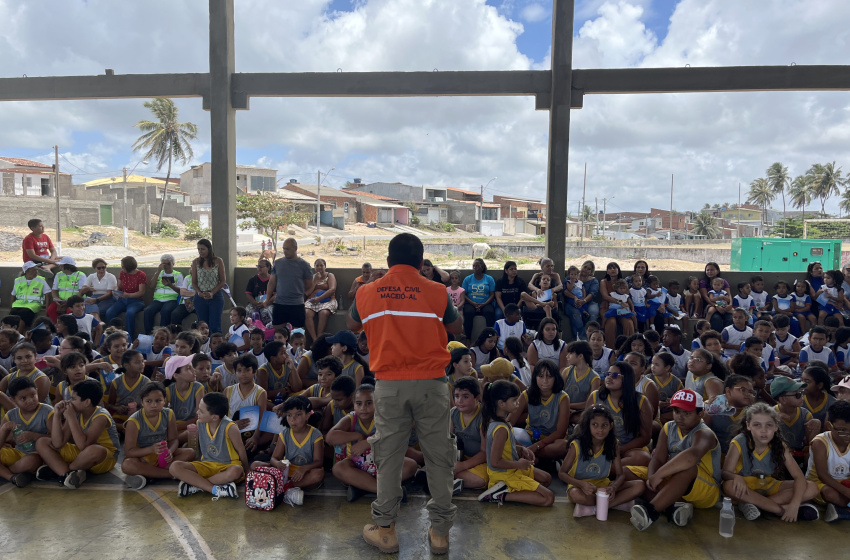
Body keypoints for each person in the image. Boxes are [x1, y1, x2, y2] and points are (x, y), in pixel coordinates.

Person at [346, 233, 462, 555]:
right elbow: (456, 328)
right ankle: (439, 534)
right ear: (421, 262)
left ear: (387, 262)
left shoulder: (368, 292)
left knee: (389, 459)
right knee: (439, 458)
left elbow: (352, 324)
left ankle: (386, 532)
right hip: (433, 385)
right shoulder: (438, 291)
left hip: (389, 386)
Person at [626, 389, 722, 531]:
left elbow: (691, 457)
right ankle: (671, 507)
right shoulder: (668, 427)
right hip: (675, 483)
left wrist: (659, 474)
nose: (680, 417)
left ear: (700, 413)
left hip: (706, 490)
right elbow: (658, 458)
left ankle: (651, 511)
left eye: (687, 413)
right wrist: (652, 477)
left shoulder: (704, 434)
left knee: (687, 468)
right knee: (628, 472)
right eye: (676, 412)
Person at [722, 402, 819, 522]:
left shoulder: (779, 445)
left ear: (776, 427)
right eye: (757, 425)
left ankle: (761, 507)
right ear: (748, 425)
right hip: (746, 488)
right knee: (729, 486)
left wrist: (794, 505)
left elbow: (799, 477)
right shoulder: (739, 442)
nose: (763, 430)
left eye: (769, 425)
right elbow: (725, 473)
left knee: (812, 487)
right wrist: (736, 478)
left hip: (768, 486)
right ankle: (780, 511)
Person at [477, 379, 554, 507]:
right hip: (504, 475)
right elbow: (495, 462)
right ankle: (500, 494)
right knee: (548, 498)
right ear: (501, 403)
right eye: (514, 400)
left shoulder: (501, 421)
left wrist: (520, 448)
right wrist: (518, 464)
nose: (518, 403)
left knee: (547, 479)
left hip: (510, 469)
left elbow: (502, 446)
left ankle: (509, 489)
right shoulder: (500, 428)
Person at [560, 404, 646, 517]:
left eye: (604, 425)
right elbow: (562, 473)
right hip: (581, 487)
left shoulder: (613, 444)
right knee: (577, 496)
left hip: (603, 486)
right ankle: (614, 504)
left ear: (610, 426)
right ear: (588, 425)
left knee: (639, 485)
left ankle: (596, 508)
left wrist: (613, 488)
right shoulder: (577, 445)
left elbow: (620, 475)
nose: (600, 430)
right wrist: (581, 484)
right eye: (595, 425)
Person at [34, 379, 120, 488]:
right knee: (42, 442)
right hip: (81, 454)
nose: (69, 402)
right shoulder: (76, 413)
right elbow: (58, 443)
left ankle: (63, 472)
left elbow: (84, 445)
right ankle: (67, 474)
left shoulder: (101, 416)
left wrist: (71, 417)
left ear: (87, 402)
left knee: (95, 449)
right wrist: (56, 415)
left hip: (104, 458)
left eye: (73, 399)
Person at [169, 392, 249, 500]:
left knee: (236, 471)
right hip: (207, 465)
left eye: (201, 411)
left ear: (215, 417)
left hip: (227, 466)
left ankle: (195, 485)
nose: (197, 412)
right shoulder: (200, 423)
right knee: (175, 467)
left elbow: (241, 450)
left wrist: (246, 471)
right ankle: (216, 489)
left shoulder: (230, 427)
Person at [121, 382, 195, 490]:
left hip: (163, 457)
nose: (154, 405)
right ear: (142, 402)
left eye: (158, 401)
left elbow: (174, 439)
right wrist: (151, 449)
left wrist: (170, 451)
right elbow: (129, 451)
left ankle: (150, 475)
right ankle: (173, 474)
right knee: (127, 465)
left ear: (165, 401)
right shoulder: (134, 421)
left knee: (190, 452)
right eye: (149, 401)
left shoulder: (169, 414)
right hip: (143, 458)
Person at [251, 395, 325, 493]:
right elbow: (274, 458)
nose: (293, 419)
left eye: (298, 415)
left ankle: (284, 487)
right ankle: (288, 487)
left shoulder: (315, 435)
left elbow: (318, 461)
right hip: (286, 471)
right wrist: (278, 463)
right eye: (289, 415)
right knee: (255, 465)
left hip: (305, 472)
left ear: (307, 415)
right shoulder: (284, 434)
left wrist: (304, 469)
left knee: (318, 474)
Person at [586, 362, 653, 467]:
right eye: (607, 374)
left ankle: (603, 469)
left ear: (627, 379)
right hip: (598, 445)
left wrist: (618, 450)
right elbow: (585, 426)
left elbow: (645, 437)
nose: (609, 377)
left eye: (615, 375)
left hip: (627, 448)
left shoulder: (641, 401)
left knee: (643, 458)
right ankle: (607, 469)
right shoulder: (596, 396)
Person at [507, 360, 569, 460]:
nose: (545, 380)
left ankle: (530, 456)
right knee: (505, 434)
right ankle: (536, 458)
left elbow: (560, 432)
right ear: (535, 377)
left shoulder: (563, 397)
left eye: (549, 376)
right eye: (540, 376)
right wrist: (519, 446)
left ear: (555, 378)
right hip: (528, 436)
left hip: (551, 440)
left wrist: (536, 447)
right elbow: (508, 423)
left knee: (564, 445)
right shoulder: (526, 394)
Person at [0, 377, 54, 487]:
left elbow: (57, 439)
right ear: (13, 400)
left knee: (30, 462)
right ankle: (12, 477)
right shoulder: (10, 415)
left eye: (33, 395)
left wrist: (35, 436)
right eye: (23, 398)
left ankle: (6, 472)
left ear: (37, 391)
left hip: (38, 455)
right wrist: (4, 429)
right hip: (18, 453)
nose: (30, 400)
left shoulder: (47, 411)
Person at [806, 400, 850, 522]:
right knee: (830, 494)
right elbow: (823, 475)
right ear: (829, 425)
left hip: (845, 482)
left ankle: (840, 508)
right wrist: (847, 492)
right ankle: (843, 506)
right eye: (842, 430)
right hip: (820, 483)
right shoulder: (820, 442)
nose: (847, 435)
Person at [268, 238, 314, 334]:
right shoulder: (278, 263)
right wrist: (268, 299)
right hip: (280, 303)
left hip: (297, 304)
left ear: (295, 248)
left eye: (288, 249)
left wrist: (301, 295)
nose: (285, 251)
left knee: (298, 334)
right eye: (284, 248)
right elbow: (272, 282)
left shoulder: (304, 265)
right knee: (279, 334)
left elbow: (309, 285)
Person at [450, 376, 488, 491]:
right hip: (459, 459)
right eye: (456, 396)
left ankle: (444, 481)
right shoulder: (453, 413)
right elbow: (448, 441)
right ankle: (450, 481)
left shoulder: (484, 416)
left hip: (480, 462)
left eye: (465, 396)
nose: (459, 401)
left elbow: (485, 452)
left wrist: (463, 466)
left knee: (480, 480)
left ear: (477, 398)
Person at [189, 239, 227, 336]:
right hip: (200, 297)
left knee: (215, 326)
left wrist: (212, 293)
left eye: (203, 249)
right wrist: (199, 292)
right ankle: (203, 348)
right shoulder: (196, 262)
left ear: (209, 249)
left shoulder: (218, 261)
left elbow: (222, 281)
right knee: (202, 326)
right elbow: (194, 282)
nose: (200, 251)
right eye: (198, 249)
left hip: (216, 296)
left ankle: (216, 348)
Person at [105, 256, 147, 342]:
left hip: (136, 300)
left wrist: (129, 295)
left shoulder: (141, 275)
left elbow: (141, 292)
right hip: (122, 300)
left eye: (123, 266)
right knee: (109, 312)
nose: (122, 268)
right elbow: (119, 286)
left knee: (130, 313)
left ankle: (129, 338)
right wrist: (116, 291)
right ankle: (111, 335)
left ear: (129, 266)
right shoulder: (122, 273)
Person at [142, 254, 183, 335]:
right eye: (164, 264)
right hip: (158, 300)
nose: (166, 266)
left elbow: (180, 291)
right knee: (147, 311)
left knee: (165, 311)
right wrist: (158, 272)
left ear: (173, 264)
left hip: (172, 299)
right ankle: (149, 334)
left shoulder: (178, 275)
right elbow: (151, 286)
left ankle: (163, 335)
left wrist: (171, 285)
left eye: (168, 264)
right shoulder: (159, 274)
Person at [563, 340, 602, 423]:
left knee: (579, 418)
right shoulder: (566, 371)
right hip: (564, 408)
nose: (567, 356)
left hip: (582, 411)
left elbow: (589, 404)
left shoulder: (594, 378)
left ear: (580, 356)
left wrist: (567, 406)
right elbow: (559, 394)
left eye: (570, 353)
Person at [461, 258, 496, 340]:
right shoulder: (468, 279)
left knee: (489, 312)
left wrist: (484, 304)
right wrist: (473, 303)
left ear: (482, 267)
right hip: (470, 303)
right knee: (468, 312)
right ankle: (468, 338)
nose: (475, 268)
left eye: (477, 266)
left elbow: (492, 294)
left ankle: (490, 338)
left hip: (486, 303)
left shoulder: (489, 279)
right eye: (474, 266)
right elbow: (463, 294)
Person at [10, 262, 52, 329]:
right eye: (34, 270)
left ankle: (18, 334)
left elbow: (47, 294)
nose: (36, 272)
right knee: (13, 313)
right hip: (19, 304)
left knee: (24, 313)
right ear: (27, 271)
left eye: (36, 270)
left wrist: (46, 309)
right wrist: (11, 306)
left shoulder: (41, 280)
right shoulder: (18, 280)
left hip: (33, 304)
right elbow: (13, 294)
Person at [47, 257, 86, 323]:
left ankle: (67, 327)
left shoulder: (81, 275)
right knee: (51, 309)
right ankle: (57, 326)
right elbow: (54, 290)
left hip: (74, 301)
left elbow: (81, 292)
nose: (60, 266)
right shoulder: (59, 275)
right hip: (60, 301)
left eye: (61, 265)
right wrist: (56, 300)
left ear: (67, 266)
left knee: (70, 311)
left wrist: (68, 302)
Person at [699, 262, 733, 332]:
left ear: (717, 271)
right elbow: (706, 298)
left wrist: (730, 305)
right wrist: (716, 306)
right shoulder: (703, 282)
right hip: (710, 305)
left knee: (730, 318)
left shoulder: (723, 281)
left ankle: (726, 337)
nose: (709, 272)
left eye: (712, 270)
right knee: (716, 319)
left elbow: (729, 295)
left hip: (724, 304)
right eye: (707, 270)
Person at [244, 259, 273, 327]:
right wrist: (254, 302)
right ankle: (252, 329)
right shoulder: (253, 280)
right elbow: (248, 294)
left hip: (269, 303)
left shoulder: (273, 280)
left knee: (266, 312)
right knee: (249, 311)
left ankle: (267, 330)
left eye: (261, 266)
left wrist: (266, 302)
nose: (259, 268)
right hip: (255, 303)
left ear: (268, 267)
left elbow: (276, 295)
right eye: (258, 266)